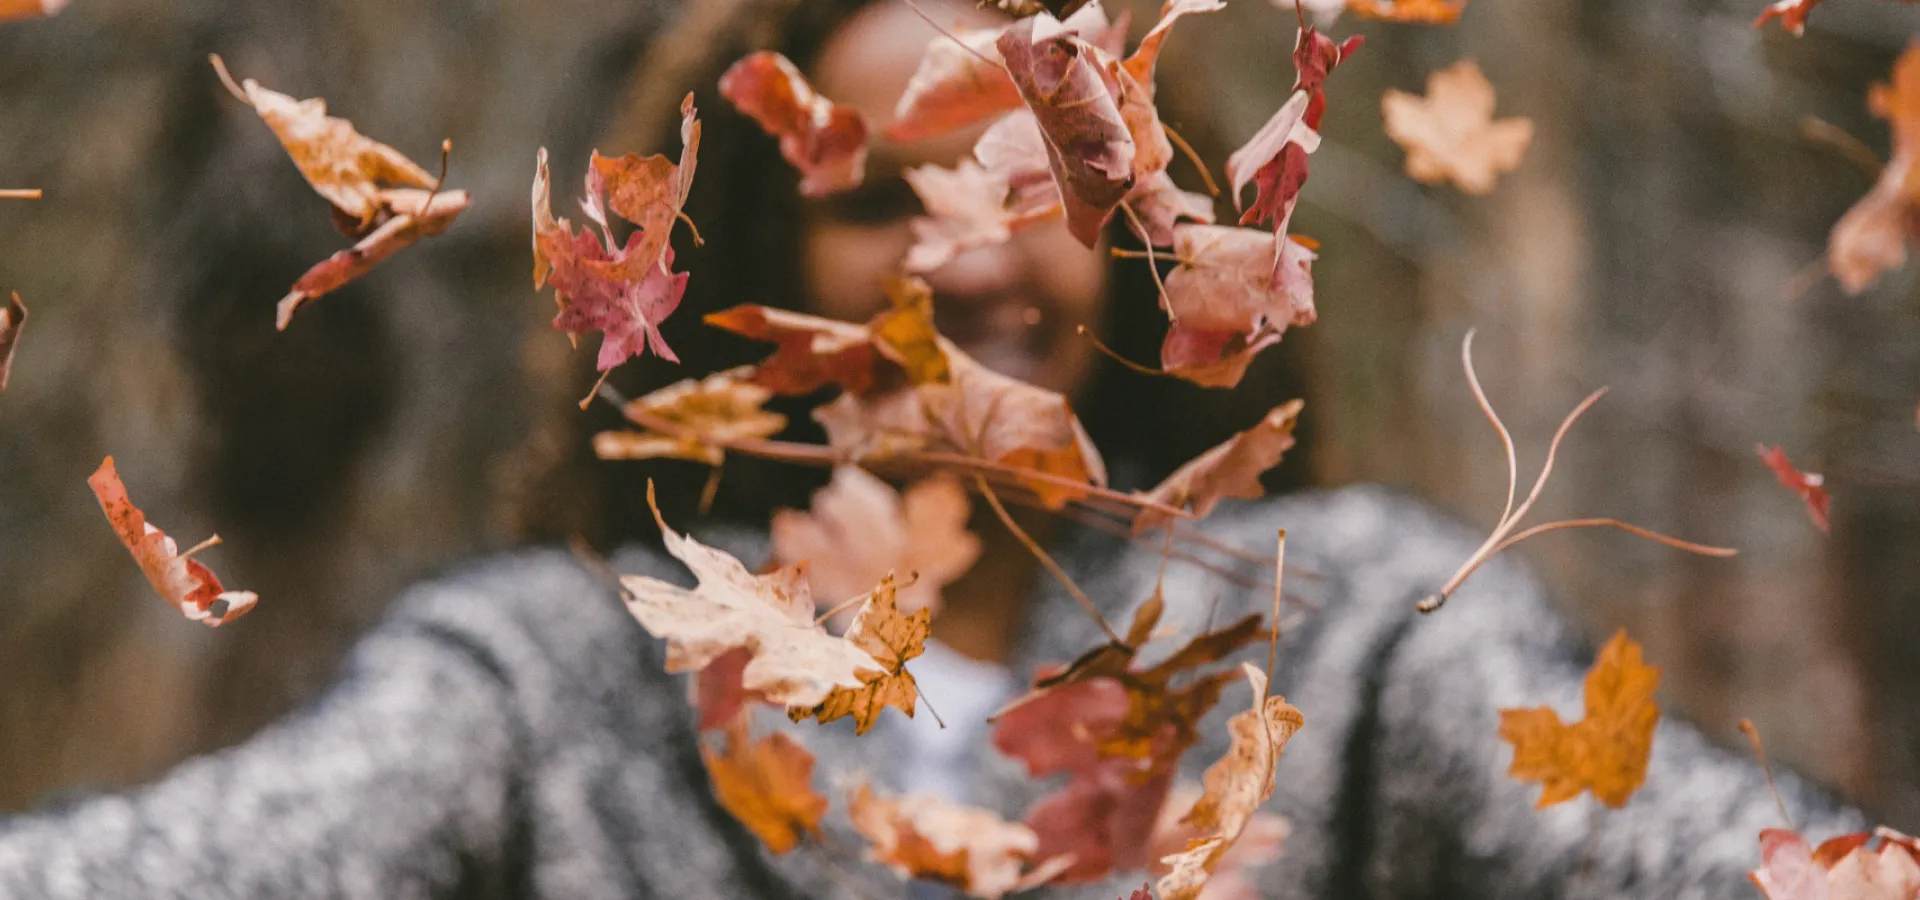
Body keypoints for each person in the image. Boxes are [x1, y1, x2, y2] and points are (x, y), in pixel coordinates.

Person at [0, 0, 1859, 897]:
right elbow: (205, 863)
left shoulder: (1354, 624)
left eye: (1025, 179)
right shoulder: (567, 672)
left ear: (1140, 229)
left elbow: (1694, 859)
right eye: (873, 198)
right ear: (762, 259)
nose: (958, 248)